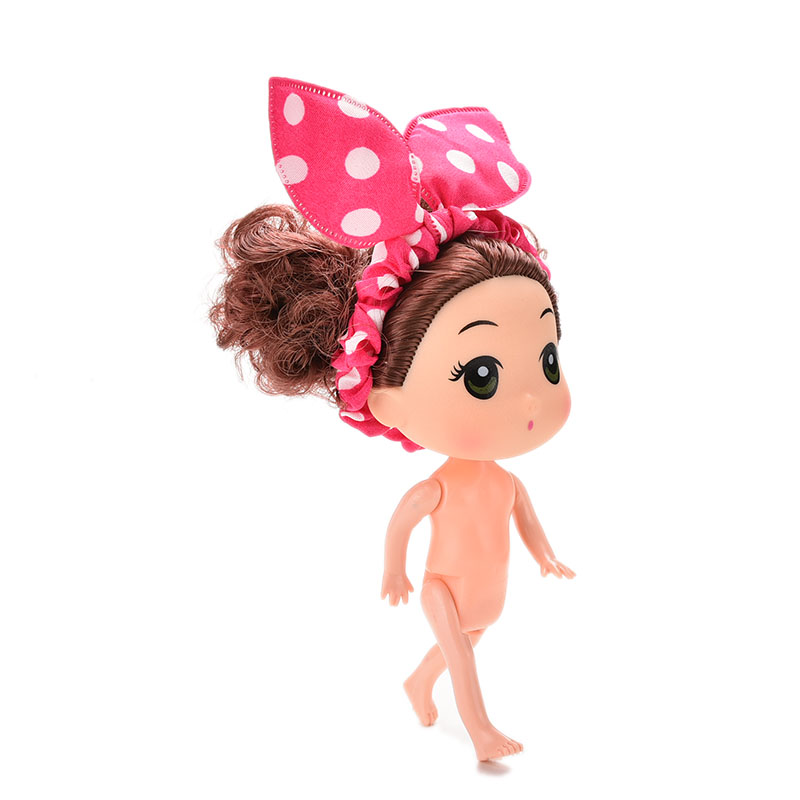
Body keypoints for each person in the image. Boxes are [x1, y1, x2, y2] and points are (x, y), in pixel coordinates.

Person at [210, 78, 575, 762]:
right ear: (385, 400)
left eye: (548, 359)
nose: (531, 398)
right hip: (442, 589)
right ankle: (481, 730)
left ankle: (416, 684)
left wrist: (546, 553)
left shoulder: (504, 484)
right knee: (461, 653)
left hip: (485, 599)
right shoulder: (438, 486)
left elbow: (525, 520)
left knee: (464, 643)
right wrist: (395, 572)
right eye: (482, 375)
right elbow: (404, 522)